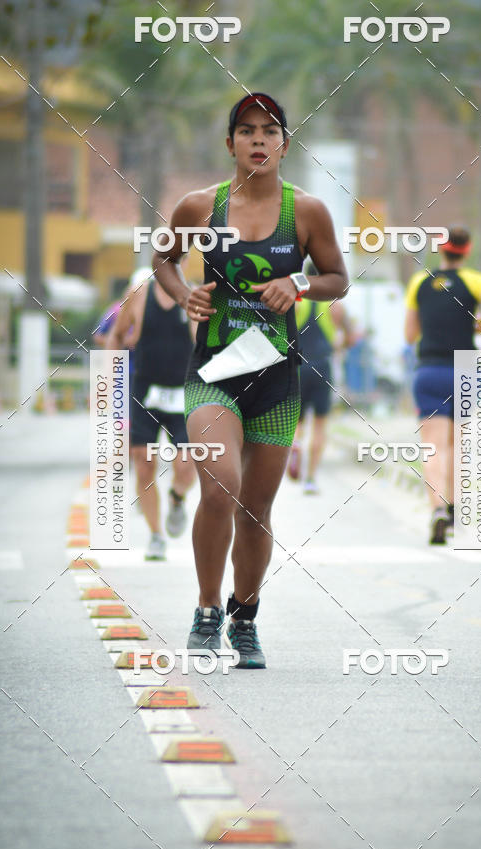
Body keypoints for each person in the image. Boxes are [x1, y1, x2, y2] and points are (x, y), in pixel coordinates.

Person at [153, 92, 348, 667]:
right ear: (230, 143)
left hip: (275, 376)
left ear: (285, 143)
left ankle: (245, 617)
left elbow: (337, 276)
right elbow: (163, 259)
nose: (258, 140)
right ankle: (207, 608)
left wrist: (302, 286)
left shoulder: (306, 212)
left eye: (269, 131)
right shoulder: (199, 207)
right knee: (219, 487)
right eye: (246, 130)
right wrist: (183, 292)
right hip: (213, 372)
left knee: (257, 509)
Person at [404, 226, 481, 544]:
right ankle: (455, 506)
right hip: (464, 368)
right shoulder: (477, 281)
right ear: (467, 250)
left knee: (433, 447)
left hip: (429, 368)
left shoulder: (420, 282)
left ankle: (437, 509)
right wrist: (475, 324)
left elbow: (408, 335)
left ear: (441, 249)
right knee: (458, 445)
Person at [108, 275, 196, 560]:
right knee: (144, 464)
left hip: (182, 392)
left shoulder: (191, 295)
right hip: (146, 392)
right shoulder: (139, 294)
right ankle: (156, 534)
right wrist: (113, 377)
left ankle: (177, 498)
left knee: (186, 465)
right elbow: (117, 334)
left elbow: (204, 344)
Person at [288, 261, 354, 493]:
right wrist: (340, 345)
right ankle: (311, 478)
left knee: (297, 421)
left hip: (297, 365)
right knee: (320, 424)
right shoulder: (334, 305)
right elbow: (351, 337)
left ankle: (295, 444)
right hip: (323, 366)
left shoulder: (296, 301)